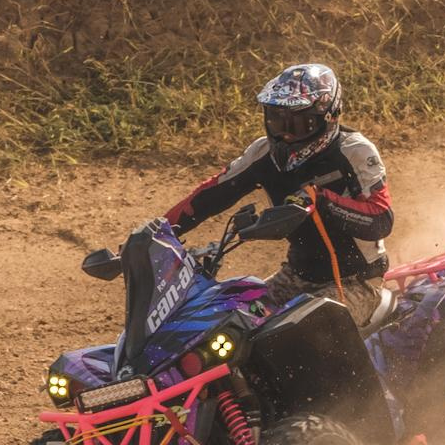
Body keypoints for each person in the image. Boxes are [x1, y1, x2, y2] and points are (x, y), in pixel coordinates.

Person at [163, 63, 393, 325]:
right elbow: (210, 196)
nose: (285, 135)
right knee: (227, 320)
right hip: (295, 276)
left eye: (298, 124)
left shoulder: (354, 151)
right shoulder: (263, 154)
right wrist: (159, 231)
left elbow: (381, 219)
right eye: (277, 121)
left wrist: (322, 200)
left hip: (358, 282)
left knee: (303, 331)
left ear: (328, 116)